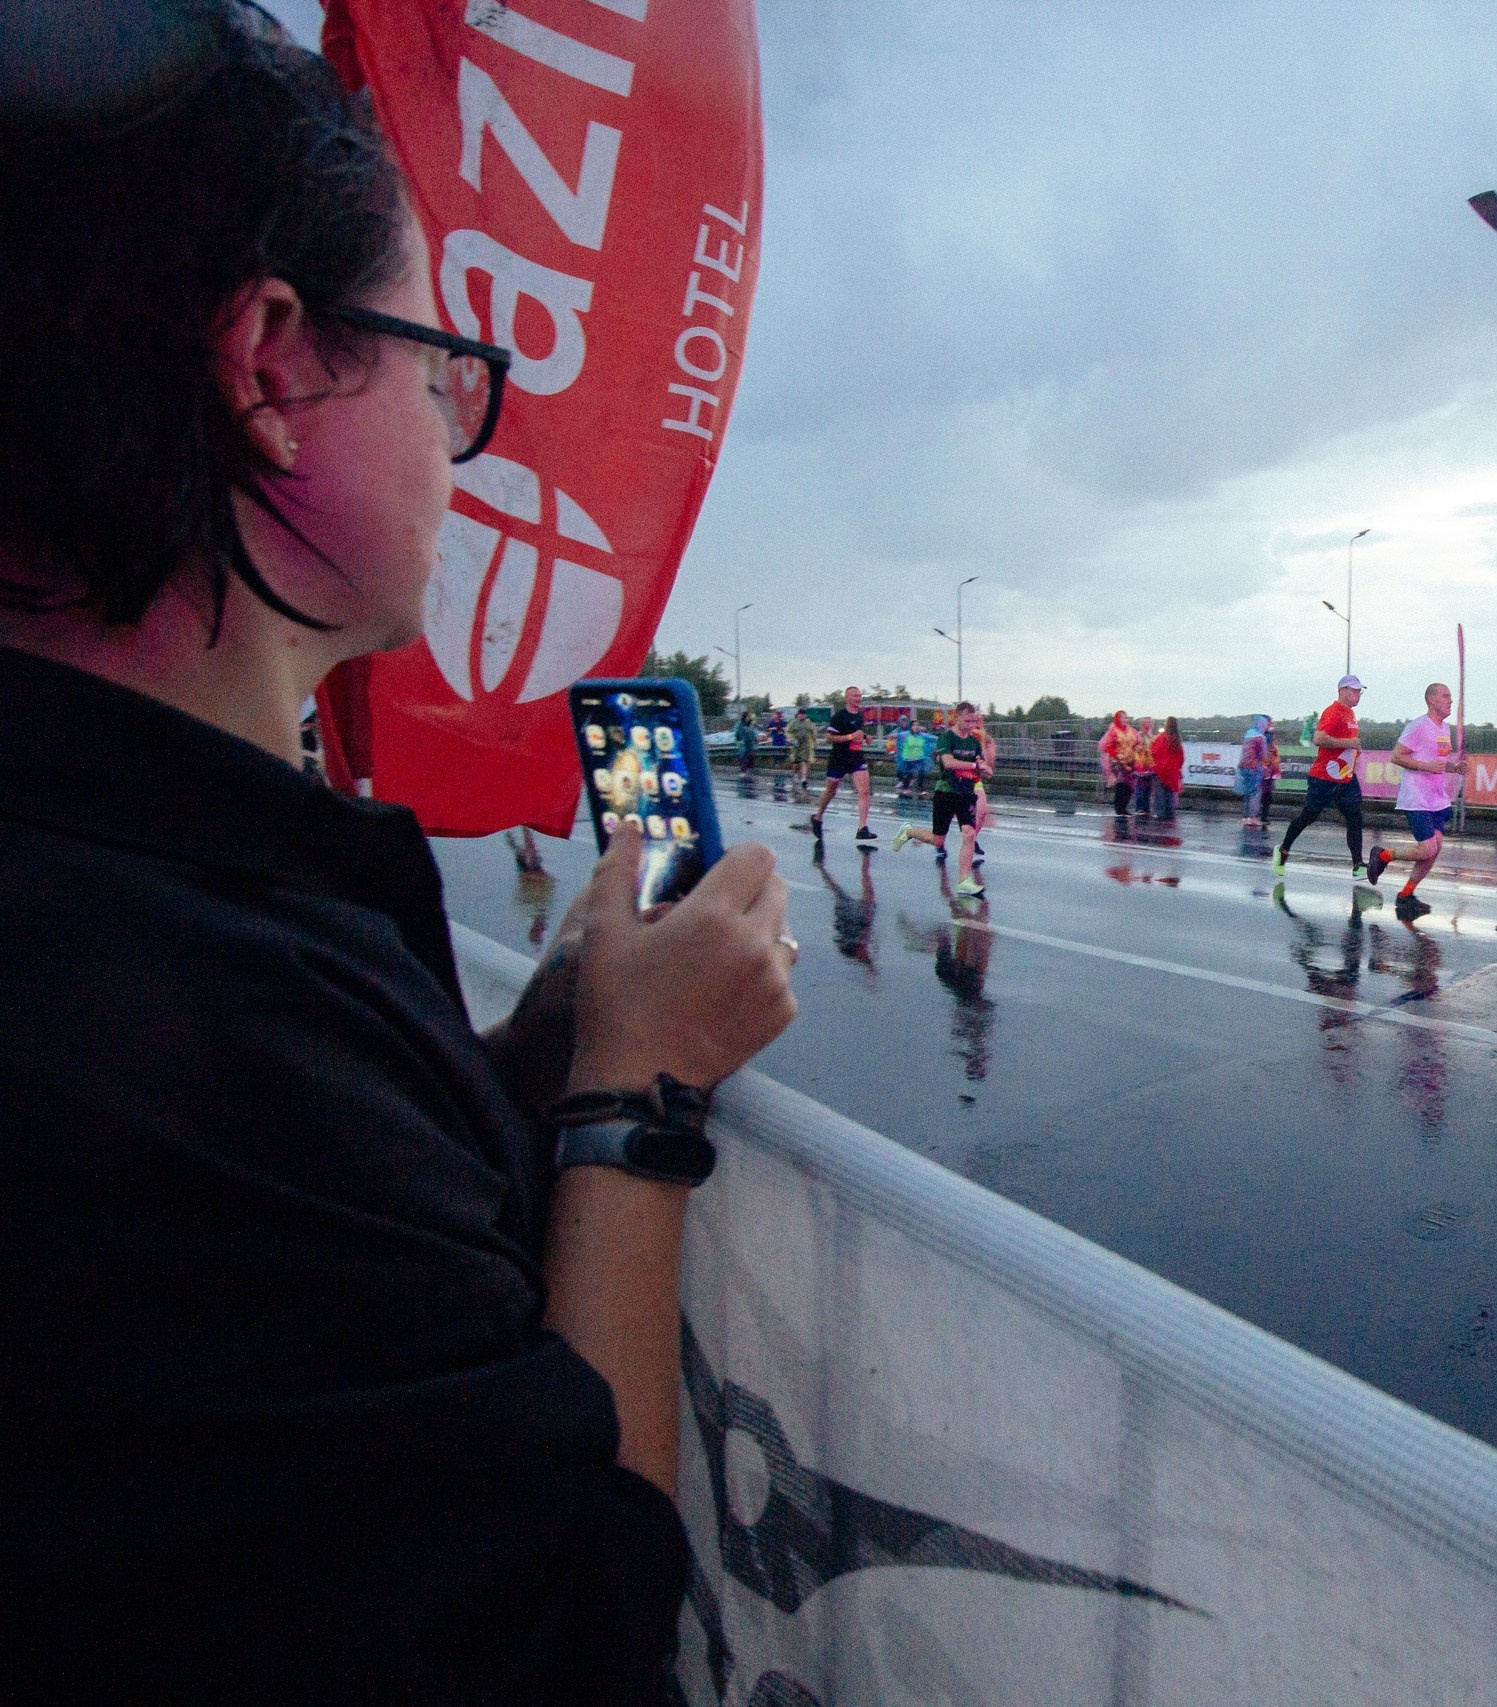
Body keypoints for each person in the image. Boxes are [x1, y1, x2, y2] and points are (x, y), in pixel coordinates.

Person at [0, 10, 798, 1694]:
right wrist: (632, 1102)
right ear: (272, 368)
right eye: (445, 365)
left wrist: (534, 1048)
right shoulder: (198, 1028)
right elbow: (575, 1634)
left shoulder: (123, 883)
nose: (460, 434)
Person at [1366, 681, 1460, 919]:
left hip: (1437, 798)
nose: (1451, 700)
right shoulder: (1418, 726)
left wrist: (1455, 767)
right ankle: (1383, 855)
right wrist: (1425, 766)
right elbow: (1397, 756)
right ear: (1431, 700)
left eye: (1451, 696)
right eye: (1446, 696)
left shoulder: (1445, 729)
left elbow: (1437, 762)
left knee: (1434, 850)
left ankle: (1406, 895)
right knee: (1427, 847)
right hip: (1416, 797)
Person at [1276, 675, 1373, 880]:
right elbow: (1319, 738)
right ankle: (1283, 851)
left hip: (1345, 777)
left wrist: (1355, 748)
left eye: (1359, 691)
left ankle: (1358, 865)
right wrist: (1349, 744)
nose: (1357, 695)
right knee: (1309, 816)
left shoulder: (1350, 714)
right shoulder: (1333, 712)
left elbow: (1346, 741)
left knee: (1355, 817)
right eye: (1354, 691)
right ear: (1341, 691)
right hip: (1324, 777)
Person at [894, 700, 992, 895]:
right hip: (946, 792)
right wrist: (973, 766)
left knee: (969, 834)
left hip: (966, 793)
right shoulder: (946, 738)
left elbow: (979, 762)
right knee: (938, 840)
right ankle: (909, 832)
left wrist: (984, 768)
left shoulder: (973, 742)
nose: (971, 725)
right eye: (967, 720)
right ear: (957, 717)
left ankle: (964, 880)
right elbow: (947, 763)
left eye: (974, 721)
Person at [807, 685, 874, 840]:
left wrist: (865, 737)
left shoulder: (860, 715)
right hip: (839, 758)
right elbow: (829, 738)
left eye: (859, 696)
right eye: (855, 696)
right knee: (831, 791)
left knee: (864, 792)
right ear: (847, 698)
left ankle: (862, 828)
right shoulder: (839, 717)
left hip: (856, 757)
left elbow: (859, 732)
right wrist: (850, 737)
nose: (858, 699)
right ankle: (818, 817)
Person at [1097, 710, 1140, 816]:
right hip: (1118, 761)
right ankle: (1119, 807)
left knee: (1130, 784)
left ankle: (1124, 806)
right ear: (1118, 719)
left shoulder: (1132, 730)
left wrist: (1138, 747)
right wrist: (1116, 754)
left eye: (1126, 718)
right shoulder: (1114, 731)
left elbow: (1138, 741)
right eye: (1123, 718)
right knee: (1121, 784)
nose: (1125, 720)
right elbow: (1109, 746)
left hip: (1130, 760)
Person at [1237, 713, 1276, 829]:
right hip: (1255, 767)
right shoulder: (1261, 737)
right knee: (1256, 793)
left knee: (1248, 793)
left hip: (1244, 766)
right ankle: (1253, 818)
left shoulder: (1248, 735)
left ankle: (1246, 817)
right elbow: (1264, 755)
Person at [1151, 715, 1185, 821]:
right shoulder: (1177, 739)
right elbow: (1181, 757)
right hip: (1172, 771)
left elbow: (1154, 751)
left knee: (1160, 794)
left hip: (1161, 770)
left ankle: (1160, 813)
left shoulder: (1162, 738)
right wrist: (1177, 768)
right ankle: (1170, 813)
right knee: (1170, 793)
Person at [787, 703, 819, 799]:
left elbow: (813, 734)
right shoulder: (793, 723)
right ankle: (796, 774)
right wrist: (792, 739)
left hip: (806, 744)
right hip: (796, 744)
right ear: (798, 715)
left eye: (803, 714)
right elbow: (788, 731)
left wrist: (815, 743)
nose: (801, 715)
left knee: (805, 761)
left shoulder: (809, 723)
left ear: (805, 715)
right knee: (796, 763)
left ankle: (804, 779)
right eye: (800, 714)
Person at [896, 713, 932, 798]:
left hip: (920, 757)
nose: (916, 727)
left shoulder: (922, 735)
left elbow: (932, 738)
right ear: (910, 726)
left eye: (917, 725)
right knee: (909, 774)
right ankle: (905, 788)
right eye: (914, 725)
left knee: (921, 773)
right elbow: (895, 737)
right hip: (909, 758)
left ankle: (922, 789)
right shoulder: (905, 735)